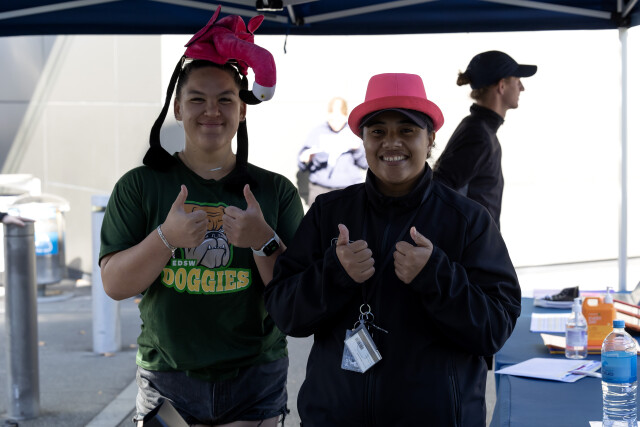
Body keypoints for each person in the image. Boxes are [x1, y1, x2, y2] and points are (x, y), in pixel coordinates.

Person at [264, 73, 521, 426]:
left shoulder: (467, 220)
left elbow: (495, 327)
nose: (391, 142)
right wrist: (334, 273)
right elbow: (284, 313)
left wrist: (436, 275)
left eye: (407, 130)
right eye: (378, 131)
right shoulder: (329, 212)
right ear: (363, 140)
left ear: (430, 139)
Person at [98, 7, 303, 426]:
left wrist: (263, 241)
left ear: (242, 110)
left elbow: (298, 300)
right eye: (197, 100)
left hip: (255, 375)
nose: (212, 111)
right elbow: (115, 285)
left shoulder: (276, 190)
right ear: (177, 108)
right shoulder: (140, 186)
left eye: (225, 99)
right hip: (167, 378)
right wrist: (165, 238)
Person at [433, 50, 537, 229]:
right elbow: (439, 190)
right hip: (475, 246)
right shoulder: (478, 134)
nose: (522, 87)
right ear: (501, 86)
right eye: (517, 80)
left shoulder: (478, 129)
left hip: (481, 244)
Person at [297, 96, 368, 205]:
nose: (335, 122)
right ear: (328, 115)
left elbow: (365, 164)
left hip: (349, 191)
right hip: (320, 190)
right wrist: (305, 159)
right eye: (332, 118)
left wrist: (358, 149)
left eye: (339, 117)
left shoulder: (354, 133)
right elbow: (302, 161)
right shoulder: (318, 132)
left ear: (345, 115)